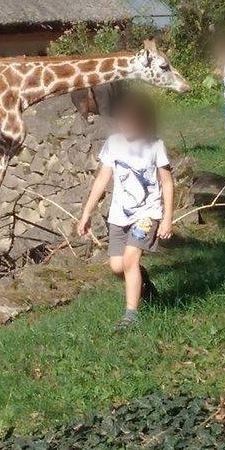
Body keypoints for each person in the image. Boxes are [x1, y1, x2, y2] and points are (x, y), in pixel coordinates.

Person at [77, 91, 174, 330]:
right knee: (117, 267)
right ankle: (143, 285)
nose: (126, 124)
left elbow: (167, 182)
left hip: (147, 215)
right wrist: (87, 213)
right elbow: (102, 179)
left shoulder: (155, 146)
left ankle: (130, 316)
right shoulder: (114, 144)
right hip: (119, 215)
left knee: (131, 260)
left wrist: (167, 219)